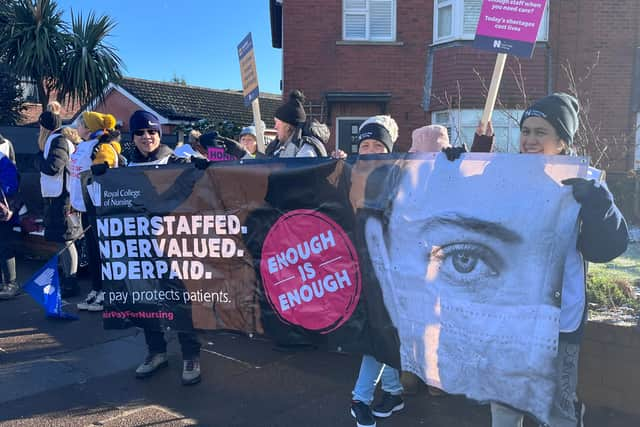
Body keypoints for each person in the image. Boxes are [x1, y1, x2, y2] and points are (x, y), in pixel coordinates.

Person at [475, 93, 627, 427]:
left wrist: (598, 204)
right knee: (504, 404)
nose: (529, 139)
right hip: (509, 318)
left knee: (557, 408)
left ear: (561, 141)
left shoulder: (587, 182)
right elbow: (468, 199)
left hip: (559, 322)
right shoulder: (507, 177)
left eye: (540, 132)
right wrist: (471, 153)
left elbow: (608, 247)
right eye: (525, 130)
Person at [124, 110, 201, 385]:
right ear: (132, 137)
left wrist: (200, 170)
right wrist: (96, 180)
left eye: (152, 131)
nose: (147, 137)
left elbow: (205, 189)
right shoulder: (126, 167)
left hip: (174, 245)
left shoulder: (178, 161)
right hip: (141, 247)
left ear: (160, 133)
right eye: (140, 133)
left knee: (179, 300)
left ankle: (191, 355)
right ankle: (155, 350)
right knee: (145, 300)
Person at [349, 115, 404, 427]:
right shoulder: (352, 173)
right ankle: (361, 397)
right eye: (364, 144)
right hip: (367, 270)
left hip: (395, 270)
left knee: (387, 332)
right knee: (382, 333)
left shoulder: (402, 175)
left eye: (378, 144)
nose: (370, 150)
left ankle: (390, 392)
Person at [70, 111, 120, 311]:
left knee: (101, 252)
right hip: (84, 206)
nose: (76, 128)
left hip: (99, 208)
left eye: (79, 125)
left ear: (88, 127)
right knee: (92, 252)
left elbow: (104, 175)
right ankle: (96, 287)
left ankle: (106, 292)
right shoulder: (83, 145)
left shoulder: (102, 147)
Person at [38, 110, 82, 298]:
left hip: (62, 197)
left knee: (67, 239)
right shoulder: (59, 139)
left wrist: (38, 159)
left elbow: (53, 166)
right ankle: (67, 278)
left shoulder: (58, 141)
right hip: (60, 195)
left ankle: (71, 282)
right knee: (63, 239)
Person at [265, 90, 327, 158]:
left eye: (277, 123)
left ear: (288, 126)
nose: (275, 127)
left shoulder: (306, 150)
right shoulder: (278, 147)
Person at [0, 148, 20, 299]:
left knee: (5, 245)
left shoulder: (3, 162)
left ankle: (11, 283)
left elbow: (11, 186)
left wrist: (8, 206)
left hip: (3, 209)